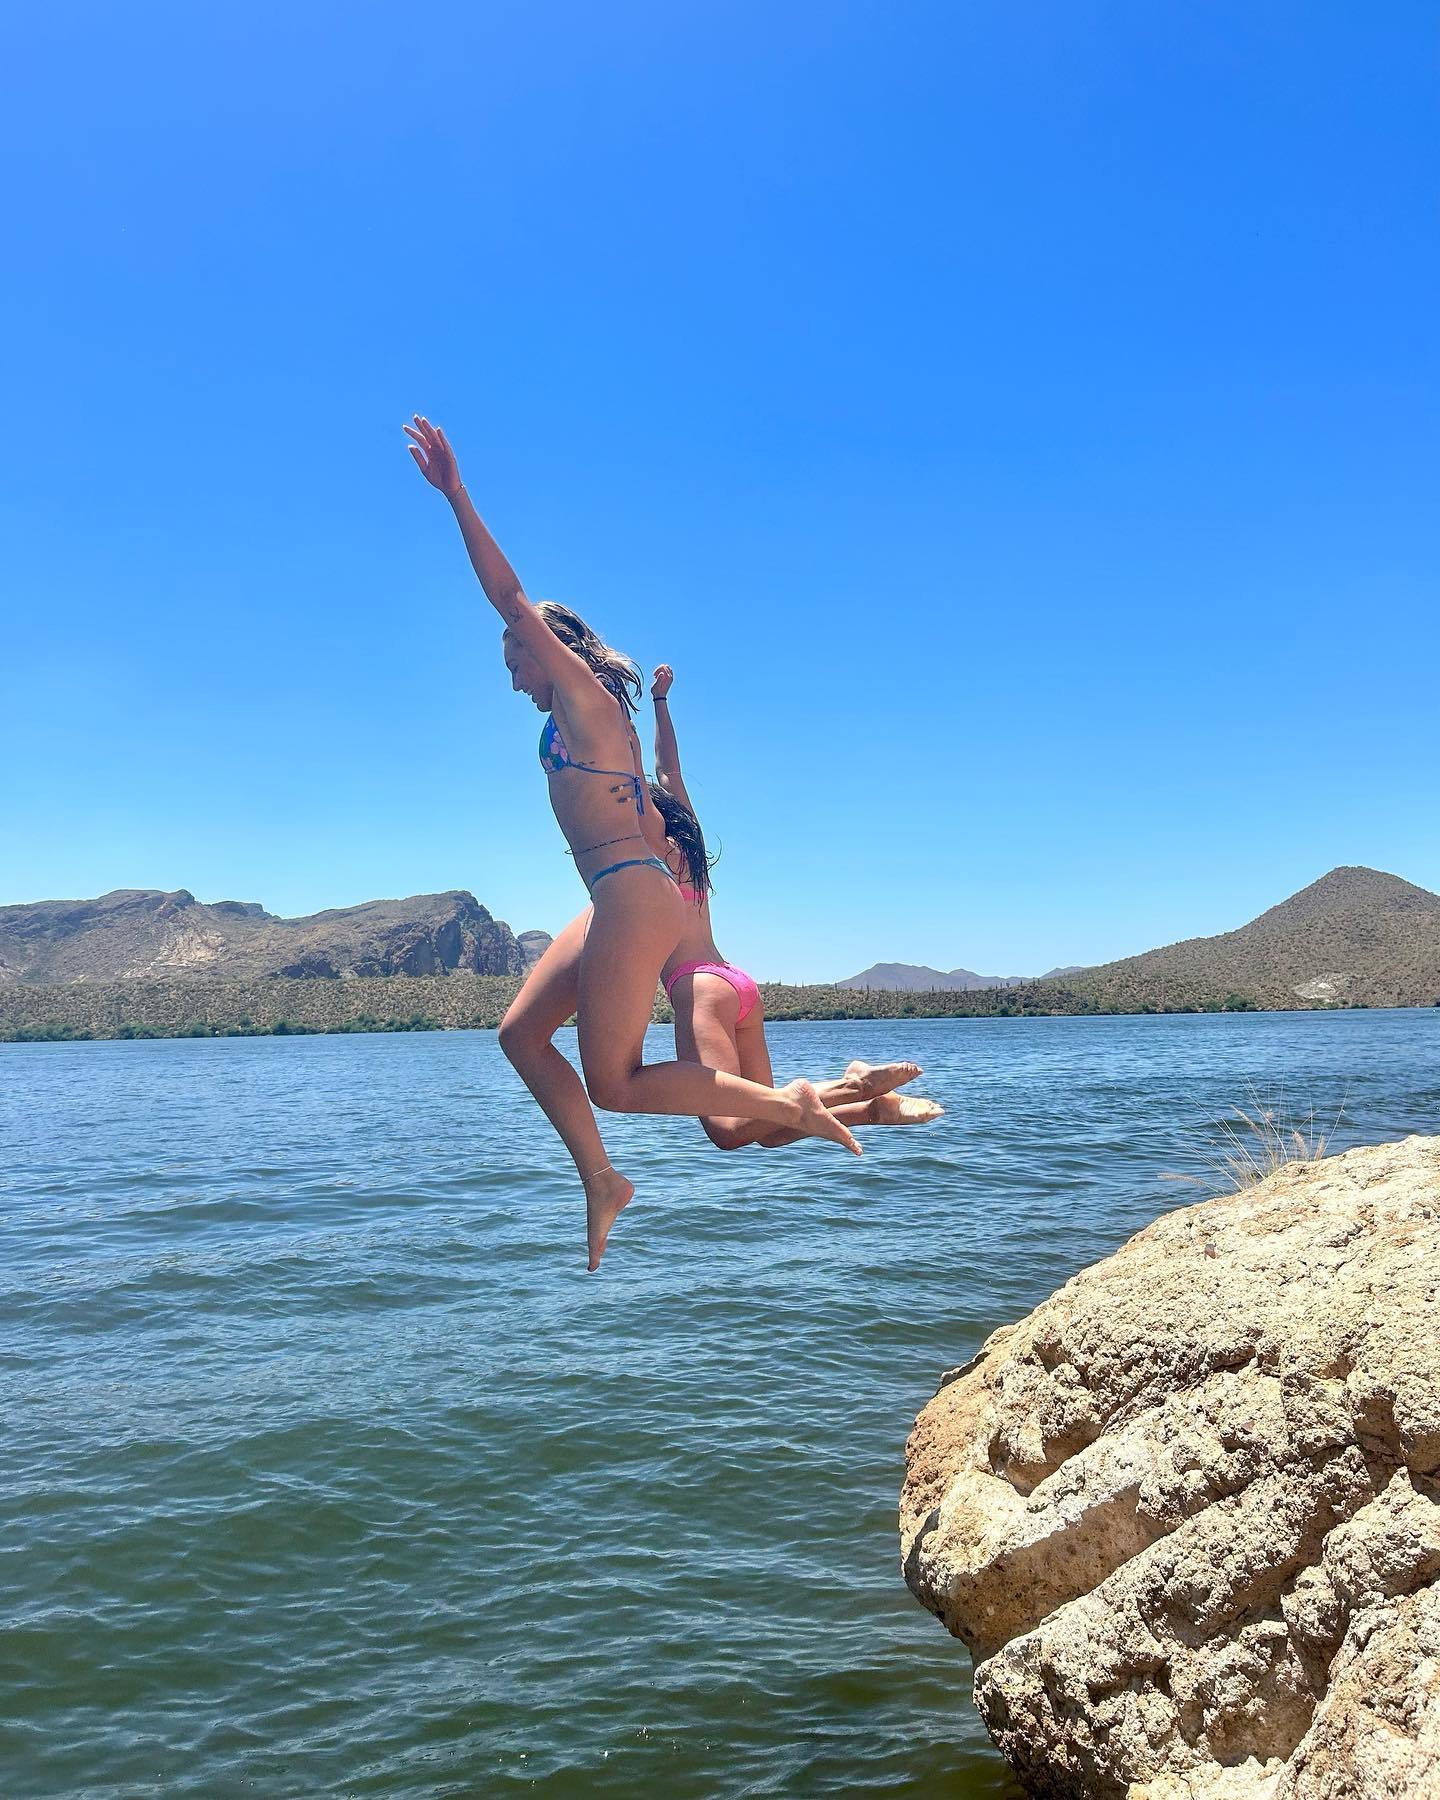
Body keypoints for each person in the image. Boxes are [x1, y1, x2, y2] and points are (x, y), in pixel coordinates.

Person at [404, 417, 863, 1272]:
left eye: (515, 659)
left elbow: (509, 595)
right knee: (520, 1036)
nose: (512, 676)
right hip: (611, 892)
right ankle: (602, 1181)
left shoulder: (581, 694)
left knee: (615, 1082)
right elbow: (664, 783)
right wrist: (664, 713)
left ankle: (788, 1104)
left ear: (548, 649)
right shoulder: (584, 715)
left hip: (629, 890)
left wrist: (456, 496)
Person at [648, 664, 944, 1149]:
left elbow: (644, 781)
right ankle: (872, 1107)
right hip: (735, 982)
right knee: (764, 1129)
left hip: (698, 989)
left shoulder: (646, 853)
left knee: (727, 1129)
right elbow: (669, 771)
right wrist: (660, 703)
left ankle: (853, 1085)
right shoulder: (690, 848)